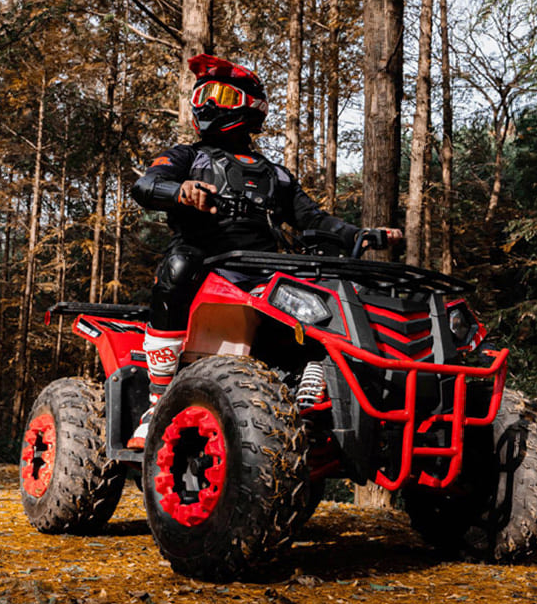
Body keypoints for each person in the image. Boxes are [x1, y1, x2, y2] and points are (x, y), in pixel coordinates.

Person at [127, 53, 401, 449]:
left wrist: (364, 234)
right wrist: (180, 190)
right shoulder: (186, 155)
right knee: (178, 264)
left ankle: (314, 381)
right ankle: (159, 399)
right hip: (205, 261)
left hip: (265, 271)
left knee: (327, 286)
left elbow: (314, 220)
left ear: (252, 107)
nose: (207, 103)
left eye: (221, 94)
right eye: (203, 93)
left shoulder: (277, 174)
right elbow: (146, 185)